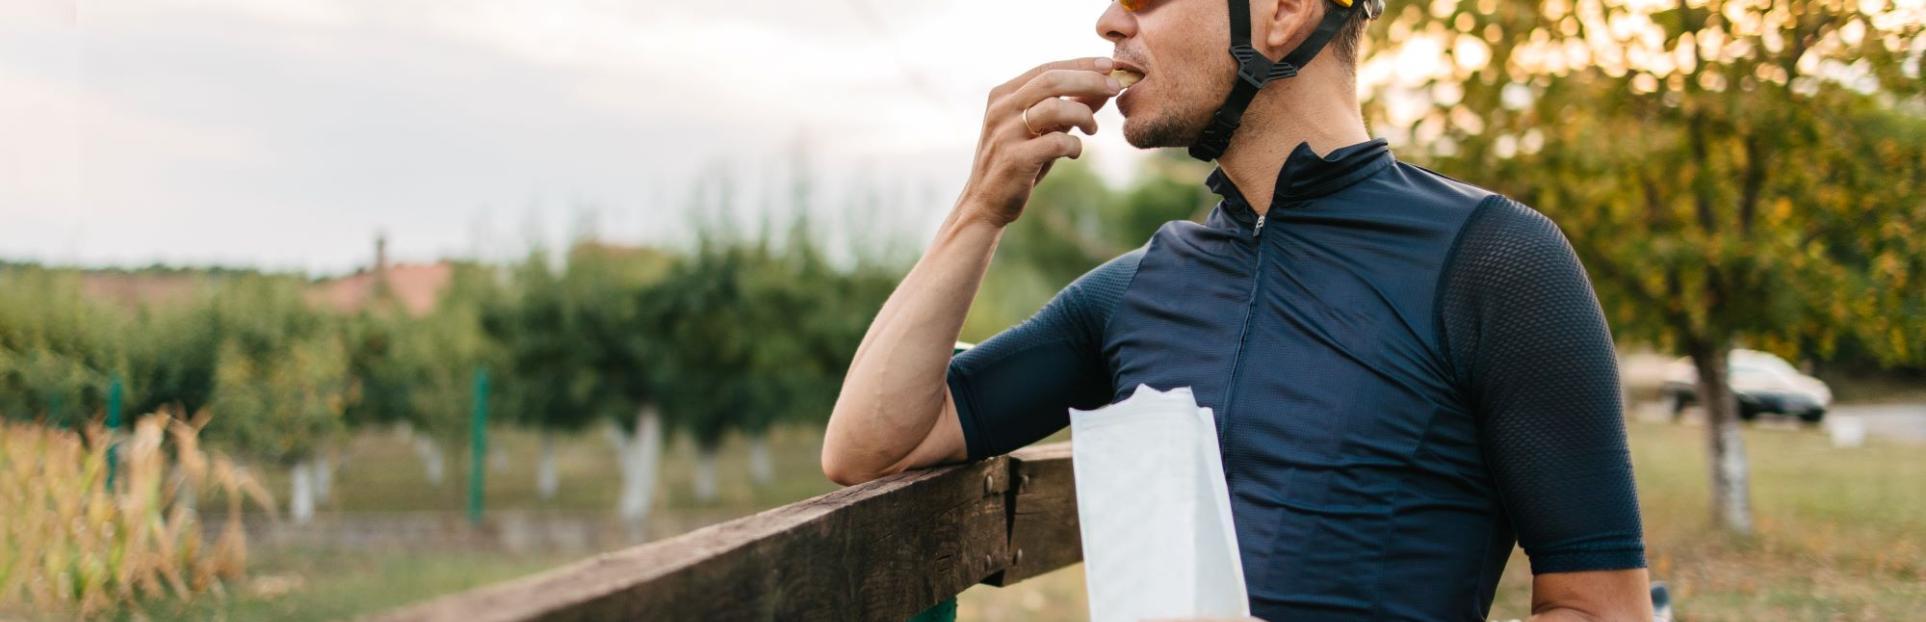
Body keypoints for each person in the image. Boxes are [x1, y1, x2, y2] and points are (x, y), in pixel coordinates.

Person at [821, 0, 1651, 619]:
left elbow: (1601, 607)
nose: (1110, 21)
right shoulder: (1134, 291)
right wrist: (980, 207)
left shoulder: (1496, 261)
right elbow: (868, 446)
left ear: (1283, 12)